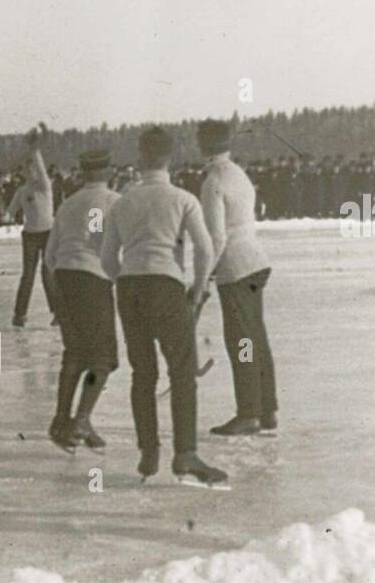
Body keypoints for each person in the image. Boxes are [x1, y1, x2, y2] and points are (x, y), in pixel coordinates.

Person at [101, 126, 227, 486]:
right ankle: (185, 454)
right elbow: (205, 249)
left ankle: (148, 451)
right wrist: (197, 289)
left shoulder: (121, 204)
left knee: (143, 373)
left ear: (140, 158)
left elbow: (107, 259)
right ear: (170, 158)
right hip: (167, 287)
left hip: (130, 289)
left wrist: (127, 278)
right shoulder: (183, 199)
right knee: (182, 372)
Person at [197, 119, 279, 437]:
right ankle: (266, 409)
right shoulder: (238, 173)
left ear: (203, 144)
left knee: (242, 341)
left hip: (235, 268)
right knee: (256, 337)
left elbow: (216, 236)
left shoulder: (213, 181)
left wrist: (204, 274)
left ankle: (248, 413)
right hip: (255, 262)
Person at [43, 148, 121, 452]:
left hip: (63, 279)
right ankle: (82, 421)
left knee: (75, 352)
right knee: (104, 358)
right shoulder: (107, 201)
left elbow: (50, 254)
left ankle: (61, 421)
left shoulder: (69, 203)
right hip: (91, 281)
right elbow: (97, 241)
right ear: (108, 171)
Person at [6, 124, 61, 327]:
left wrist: (33, 147)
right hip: (30, 235)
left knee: (48, 274)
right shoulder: (22, 191)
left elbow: (39, 163)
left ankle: (57, 312)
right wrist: (5, 216)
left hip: (48, 234)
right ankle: (19, 314)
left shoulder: (45, 187)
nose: (31, 173)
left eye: (33, 169)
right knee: (27, 275)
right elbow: (11, 211)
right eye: (27, 170)